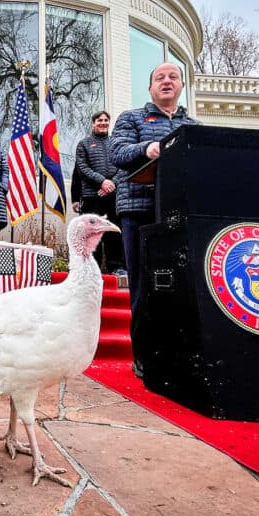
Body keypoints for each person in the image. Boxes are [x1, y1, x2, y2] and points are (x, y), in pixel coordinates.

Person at [110, 62, 199, 378]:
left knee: (182, 286)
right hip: (140, 211)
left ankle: (182, 354)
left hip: (179, 214)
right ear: (150, 88)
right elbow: (116, 153)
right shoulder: (132, 118)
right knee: (143, 286)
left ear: (181, 86)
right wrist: (148, 148)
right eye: (159, 77)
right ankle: (145, 356)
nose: (166, 81)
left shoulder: (193, 124)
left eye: (173, 77)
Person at [75, 111, 126, 275]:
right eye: (99, 120)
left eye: (106, 120)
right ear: (93, 123)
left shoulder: (116, 144)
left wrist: (112, 184)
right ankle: (92, 269)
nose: (103, 122)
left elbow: (123, 167)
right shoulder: (84, 144)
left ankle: (116, 267)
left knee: (114, 233)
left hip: (113, 197)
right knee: (92, 235)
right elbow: (82, 169)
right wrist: (102, 182)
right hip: (92, 197)